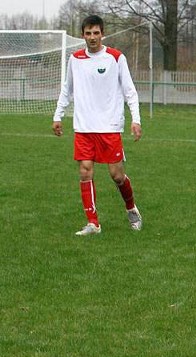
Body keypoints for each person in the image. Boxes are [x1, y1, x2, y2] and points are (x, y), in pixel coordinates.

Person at [52, 14, 142, 236]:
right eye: (88, 33)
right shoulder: (75, 59)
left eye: (96, 33)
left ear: (103, 33)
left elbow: (130, 91)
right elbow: (67, 89)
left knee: (117, 175)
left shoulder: (115, 57)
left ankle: (131, 209)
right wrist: (58, 115)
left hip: (110, 127)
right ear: (83, 35)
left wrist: (136, 119)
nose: (92, 37)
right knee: (85, 172)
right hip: (83, 127)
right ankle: (93, 223)